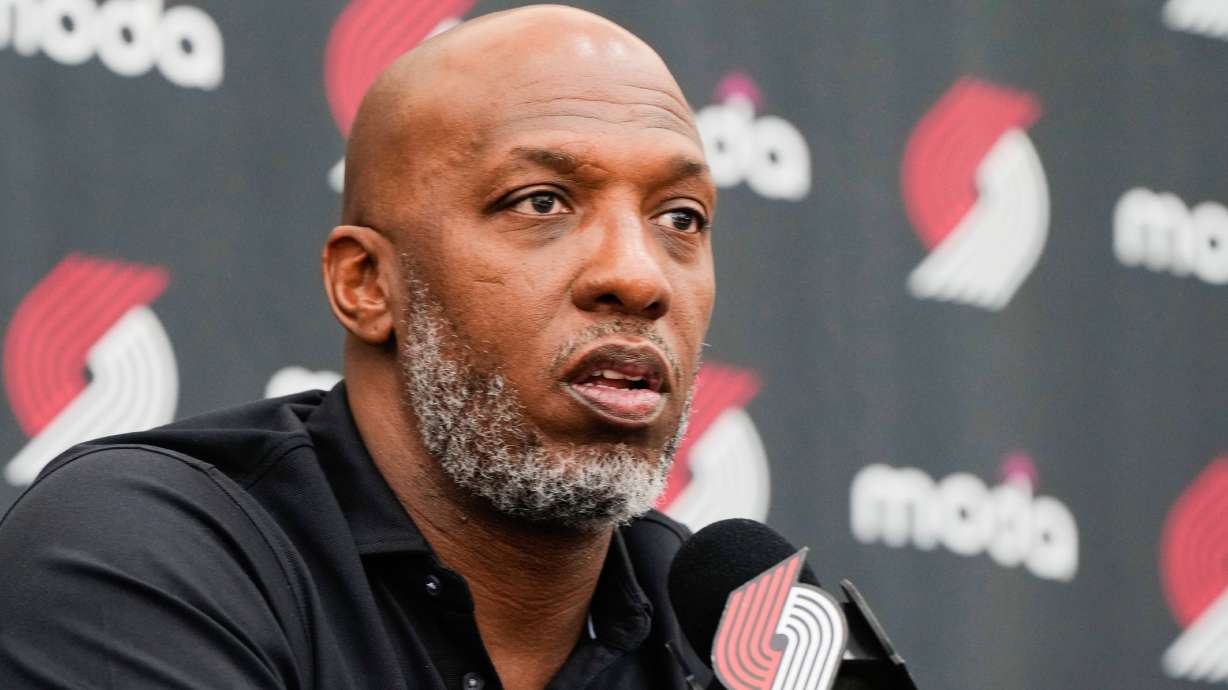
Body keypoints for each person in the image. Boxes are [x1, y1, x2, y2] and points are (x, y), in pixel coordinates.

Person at [0, 5, 718, 690]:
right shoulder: (147, 548)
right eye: (540, 202)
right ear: (368, 284)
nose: (639, 277)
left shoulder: (721, 625)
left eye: (681, 218)